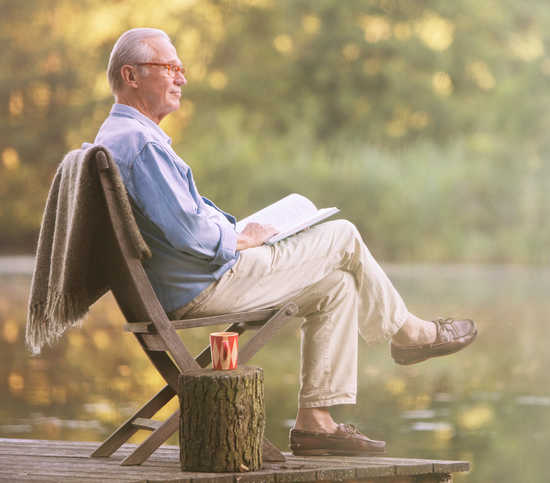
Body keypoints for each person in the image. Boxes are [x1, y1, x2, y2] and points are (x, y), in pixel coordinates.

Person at [93, 28, 477, 456]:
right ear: (131, 75)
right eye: (170, 68)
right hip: (203, 285)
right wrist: (241, 238)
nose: (181, 77)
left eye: (181, 68)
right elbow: (188, 234)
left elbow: (181, 225)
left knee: (338, 286)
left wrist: (243, 234)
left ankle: (315, 423)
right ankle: (410, 333)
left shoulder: (119, 137)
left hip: (189, 281)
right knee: (343, 235)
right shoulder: (141, 145)